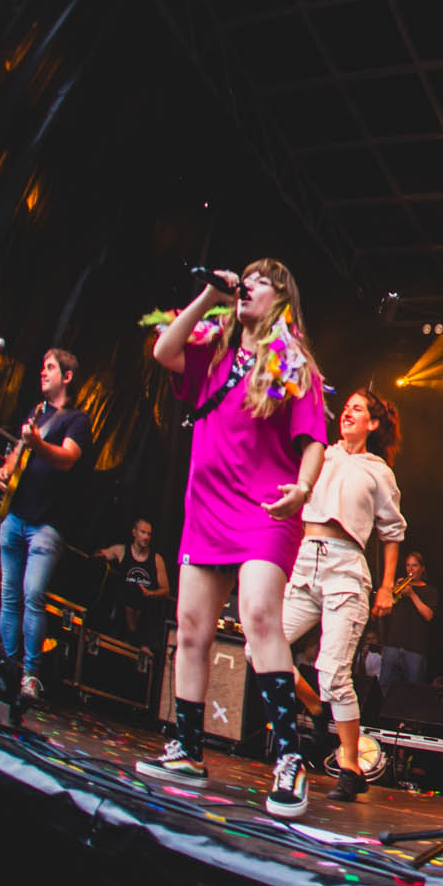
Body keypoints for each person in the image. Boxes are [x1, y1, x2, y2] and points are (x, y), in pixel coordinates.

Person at [135, 261, 328, 821]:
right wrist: (208, 295)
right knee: (192, 627)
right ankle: (187, 748)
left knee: (260, 616)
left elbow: (314, 441)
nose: (248, 285)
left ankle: (289, 758)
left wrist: (303, 488)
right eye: (245, 277)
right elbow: (163, 351)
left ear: (281, 298)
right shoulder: (214, 349)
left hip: (266, 507)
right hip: (208, 506)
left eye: (261, 280)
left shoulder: (293, 362)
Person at [282, 388, 405, 802]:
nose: (348, 413)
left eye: (358, 409)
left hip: (346, 569)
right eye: (346, 407)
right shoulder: (321, 454)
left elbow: (392, 533)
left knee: (334, 672)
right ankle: (315, 707)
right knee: (259, 645)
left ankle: (351, 767)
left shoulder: (378, 471)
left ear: (373, 423)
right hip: (304, 561)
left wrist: (386, 586)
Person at [0, 348, 92, 700]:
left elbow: (67, 458)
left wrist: (38, 443)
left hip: (47, 524)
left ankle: (30, 676)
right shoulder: (35, 414)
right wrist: (5, 471)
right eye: (43, 367)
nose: (43, 372)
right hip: (15, 515)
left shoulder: (77, 420)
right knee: (9, 595)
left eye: (50, 367)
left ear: (67, 376)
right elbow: (16, 454)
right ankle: (6, 670)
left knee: (33, 595)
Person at [97, 517, 171, 643]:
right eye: (143, 532)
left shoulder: (157, 559)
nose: (146, 537)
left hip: (143, 615)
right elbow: (100, 554)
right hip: (121, 613)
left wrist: (150, 593)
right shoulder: (121, 550)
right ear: (134, 532)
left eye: (149, 534)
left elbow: (166, 590)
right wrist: (100, 558)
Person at [373, 550, 438, 695]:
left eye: (414, 565)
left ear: (422, 568)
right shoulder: (400, 588)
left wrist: (412, 595)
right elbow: (385, 612)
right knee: (385, 687)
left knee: (412, 692)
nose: (410, 569)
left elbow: (428, 615)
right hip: (392, 646)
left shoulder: (430, 591)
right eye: (408, 565)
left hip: (415, 649)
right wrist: (393, 591)